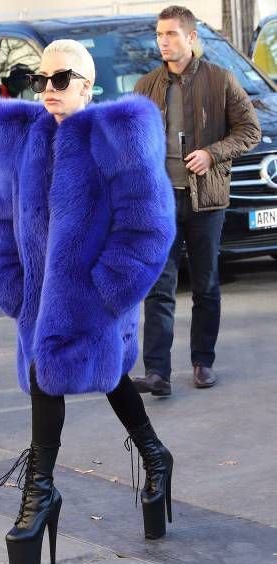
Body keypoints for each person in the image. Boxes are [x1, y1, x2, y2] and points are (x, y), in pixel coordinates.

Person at [0, 39, 176, 564]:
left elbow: (148, 226)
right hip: (37, 301)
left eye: (60, 79)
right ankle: (151, 456)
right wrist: (11, 285)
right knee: (83, 372)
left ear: (87, 85)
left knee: (74, 369)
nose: (48, 89)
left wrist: (104, 292)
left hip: (97, 297)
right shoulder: (22, 140)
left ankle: (39, 492)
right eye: (40, 79)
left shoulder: (116, 138)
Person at [133, 5, 261, 397]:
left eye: (171, 33)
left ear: (191, 37)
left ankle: (203, 362)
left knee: (205, 285)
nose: (163, 41)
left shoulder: (220, 79)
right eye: (159, 34)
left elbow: (250, 130)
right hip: (161, 201)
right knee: (159, 287)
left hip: (207, 200)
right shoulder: (146, 86)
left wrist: (212, 153)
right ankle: (157, 372)